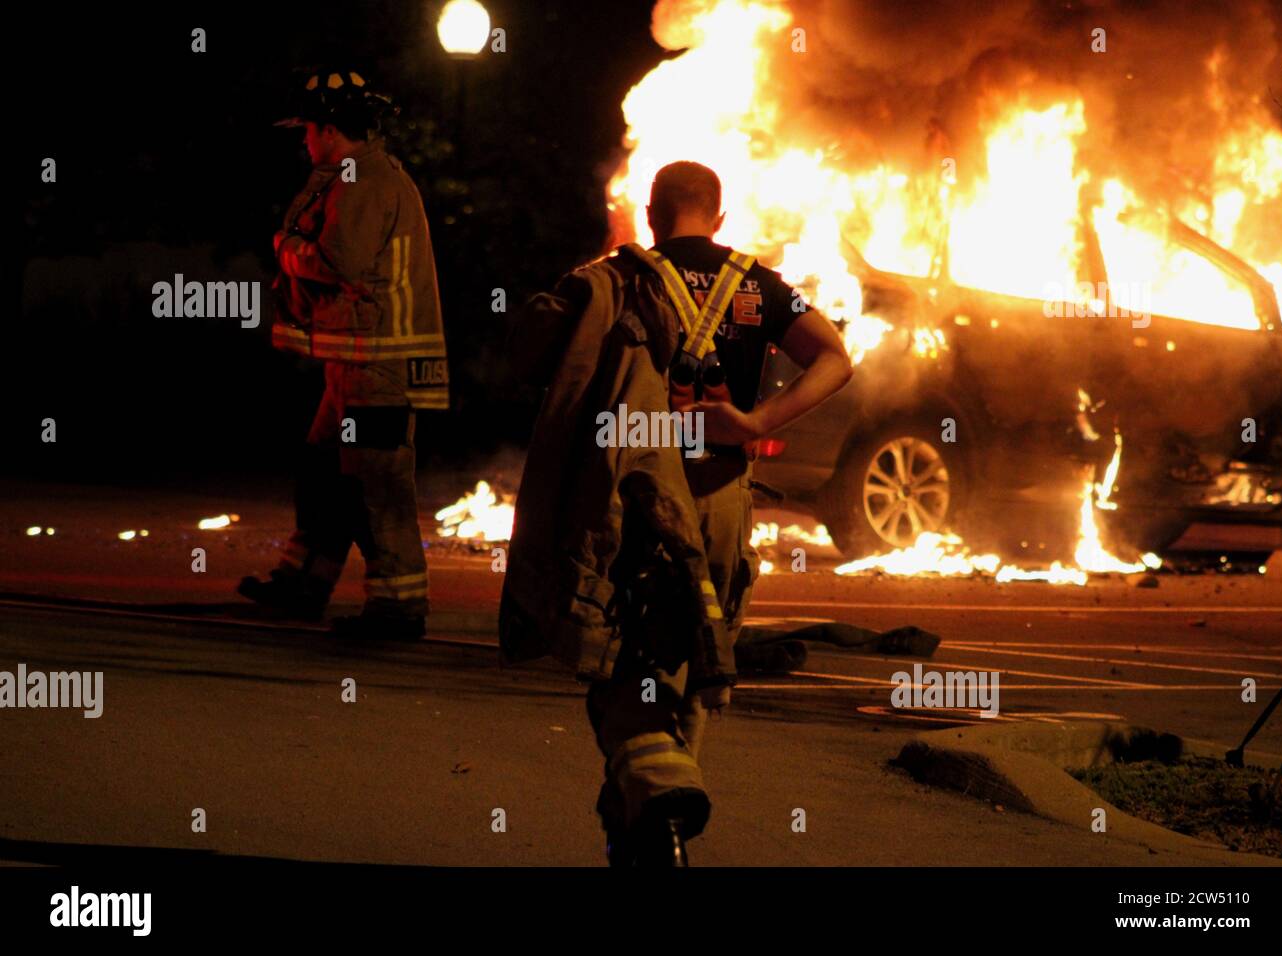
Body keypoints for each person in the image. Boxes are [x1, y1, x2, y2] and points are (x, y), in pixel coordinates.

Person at [501, 161, 851, 865]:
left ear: (652, 213)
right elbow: (836, 358)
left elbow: (533, 359)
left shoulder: (613, 278)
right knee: (691, 653)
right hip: (721, 498)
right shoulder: (758, 284)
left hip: (629, 493)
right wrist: (752, 422)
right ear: (718, 218)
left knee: (618, 654)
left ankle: (658, 800)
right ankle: (640, 825)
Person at [238, 70, 449, 641]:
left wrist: (287, 249)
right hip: (358, 360)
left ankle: (398, 609)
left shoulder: (362, 178)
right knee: (326, 471)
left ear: (330, 129)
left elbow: (340, 262)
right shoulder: (359, 173)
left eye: (308, 129)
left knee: (374, 484)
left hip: (380, 366)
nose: (304, 141)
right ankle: (304, 582)